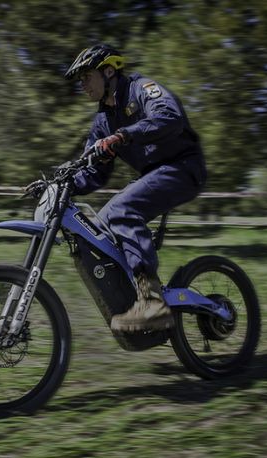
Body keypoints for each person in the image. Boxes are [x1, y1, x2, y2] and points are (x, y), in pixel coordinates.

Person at [64, 44, 206, 332]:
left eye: (86, 76)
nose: (82, 85)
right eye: (80, 80)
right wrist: (63, 185)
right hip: (154, 176)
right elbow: (94, 172)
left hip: (183, 167)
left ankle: (152, 302)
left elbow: (170, 117)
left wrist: (124, 135)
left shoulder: (142, 89)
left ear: (108, 71)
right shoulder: (103, 121)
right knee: (100, 225)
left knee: (121, 209)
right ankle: (136, 295)